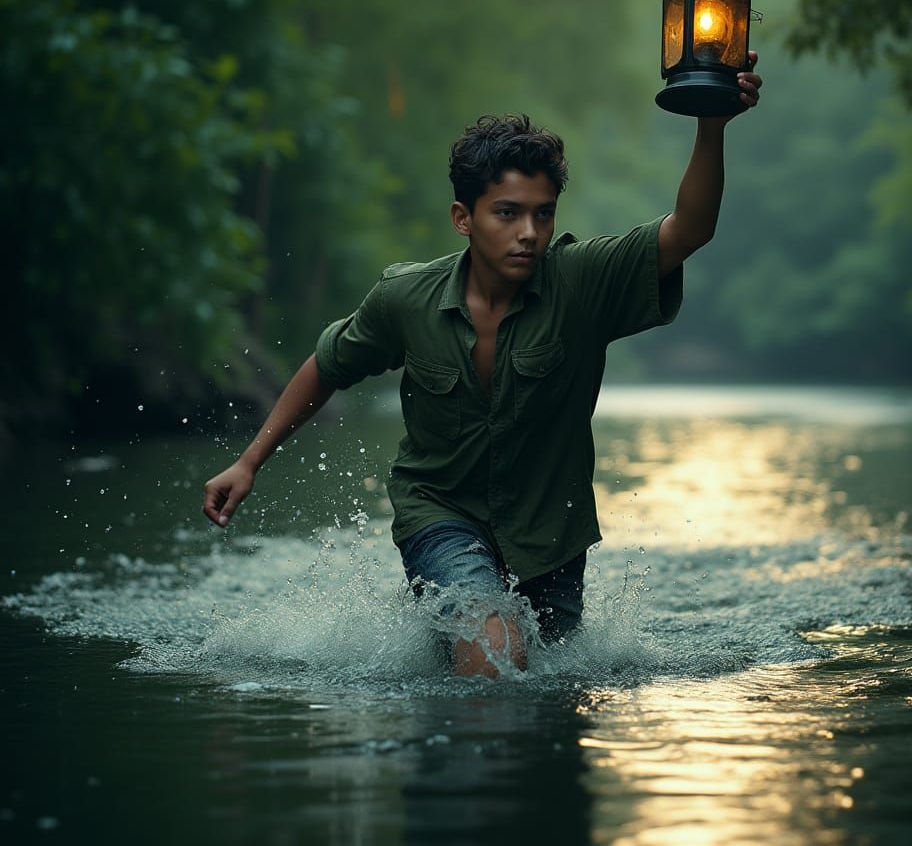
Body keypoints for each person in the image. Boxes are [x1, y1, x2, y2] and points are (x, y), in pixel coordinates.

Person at [203, 55, 763, 677]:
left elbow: (690, 229)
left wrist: (711, 126)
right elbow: (327, 366)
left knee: (545, 683)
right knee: (496, 646)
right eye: (507, 213)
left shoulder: (582, 281)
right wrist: (249, 461)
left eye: (543, 213)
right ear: (463, 218)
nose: (529, 232)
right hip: (438, 511)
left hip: (551, 533)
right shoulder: (405, 299)